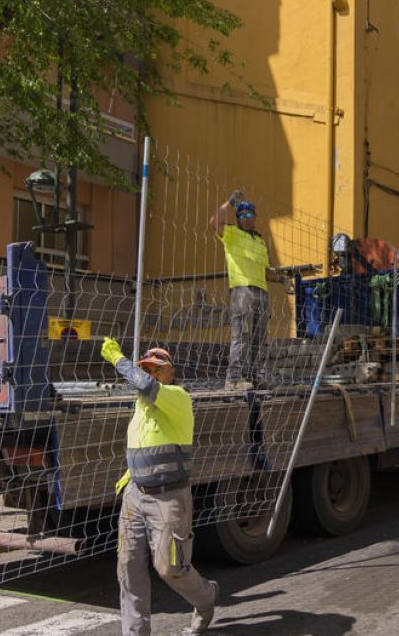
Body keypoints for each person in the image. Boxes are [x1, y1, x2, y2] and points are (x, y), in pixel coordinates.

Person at [100, 339, 219, 636]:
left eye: (157, 369)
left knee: (169, 567)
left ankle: (206, 598)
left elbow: (143, 385)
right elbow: (146, 444)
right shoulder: (141, 408)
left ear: (170, 373)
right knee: (127, 565)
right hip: (135, 495)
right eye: (147, 368)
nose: (151, 373)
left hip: (168, 499)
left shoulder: (177, 397)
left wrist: (117, 358)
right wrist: (132, 475)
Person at [209, 190, 280, 391]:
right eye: (241, 215)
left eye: (249, 214)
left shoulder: (260, 241)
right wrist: (230, 203)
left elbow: (267, 272)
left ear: (255, 217)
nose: (245, 218)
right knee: (241, 334)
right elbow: (214, 222)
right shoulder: (231, 234)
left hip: (261, 291)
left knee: (259, 335)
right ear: (237, 218)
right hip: (242, 290)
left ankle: (254, 375)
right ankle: (233, 378)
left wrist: (284, 279)